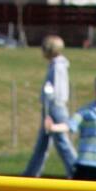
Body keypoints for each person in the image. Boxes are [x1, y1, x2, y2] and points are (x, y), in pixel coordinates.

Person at [22, 36, 77, 179]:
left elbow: (57, 90)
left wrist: (50, 107)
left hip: (55, 108)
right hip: (51, 107)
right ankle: (32, 172)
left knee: (61, 141)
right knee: (43, 143)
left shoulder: (58, 67)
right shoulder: (54, 65)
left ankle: (76, 171)